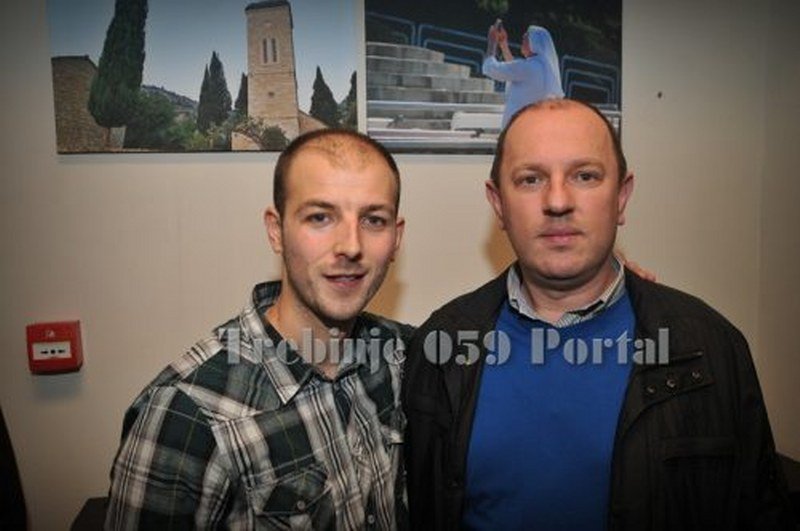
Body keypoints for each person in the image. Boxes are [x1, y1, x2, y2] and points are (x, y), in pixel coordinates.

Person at [403, 99, 791, 530]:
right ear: (499, 205)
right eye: (531, 179)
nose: (557, 201)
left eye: (585, 176)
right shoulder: (440, 346)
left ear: (621, 197)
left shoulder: (711, 347)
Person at [105, 129, 412, 530]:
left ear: (396, 239)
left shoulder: (403, 356)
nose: (350, 246)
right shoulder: (187, 412)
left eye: (373, 220)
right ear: (275, 231)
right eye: (320, 217)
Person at [483, 22, 564, 128]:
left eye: (525, 39)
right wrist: (503, 44)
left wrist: (492, 42)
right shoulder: (543, 67)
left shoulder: (528, 67)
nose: (522, 41)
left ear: (533, 43)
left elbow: (490, 68)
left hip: (517, 128)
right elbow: (514, 70)